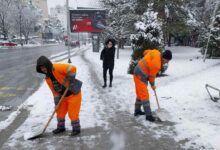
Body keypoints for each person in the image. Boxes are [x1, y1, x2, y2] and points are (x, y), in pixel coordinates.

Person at [36, 56, 82, 136]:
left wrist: (71, 78)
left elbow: (72, 68)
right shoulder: (47, 79)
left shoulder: (57, 67)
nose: (43, 69)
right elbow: (54, 91)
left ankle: (76, 129)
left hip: (73, 93)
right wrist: (57, 102)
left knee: (73, 113)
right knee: (60, 112)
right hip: (62, 96)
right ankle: (61, 128)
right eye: (41, 68)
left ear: (48, 64)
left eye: (44, 67)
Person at [133, 49, 172, 122]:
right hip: (140, 75)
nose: (167, 62)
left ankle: (137, 111)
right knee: (145, 95)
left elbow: (145, 52)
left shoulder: (156, 52)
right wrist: (153, 85)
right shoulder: (156, 65)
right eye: (167, 60)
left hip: (138, 71)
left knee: (140, 94)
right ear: (164, 58)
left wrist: (147, 61)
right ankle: (148, 116)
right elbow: (151, 77)